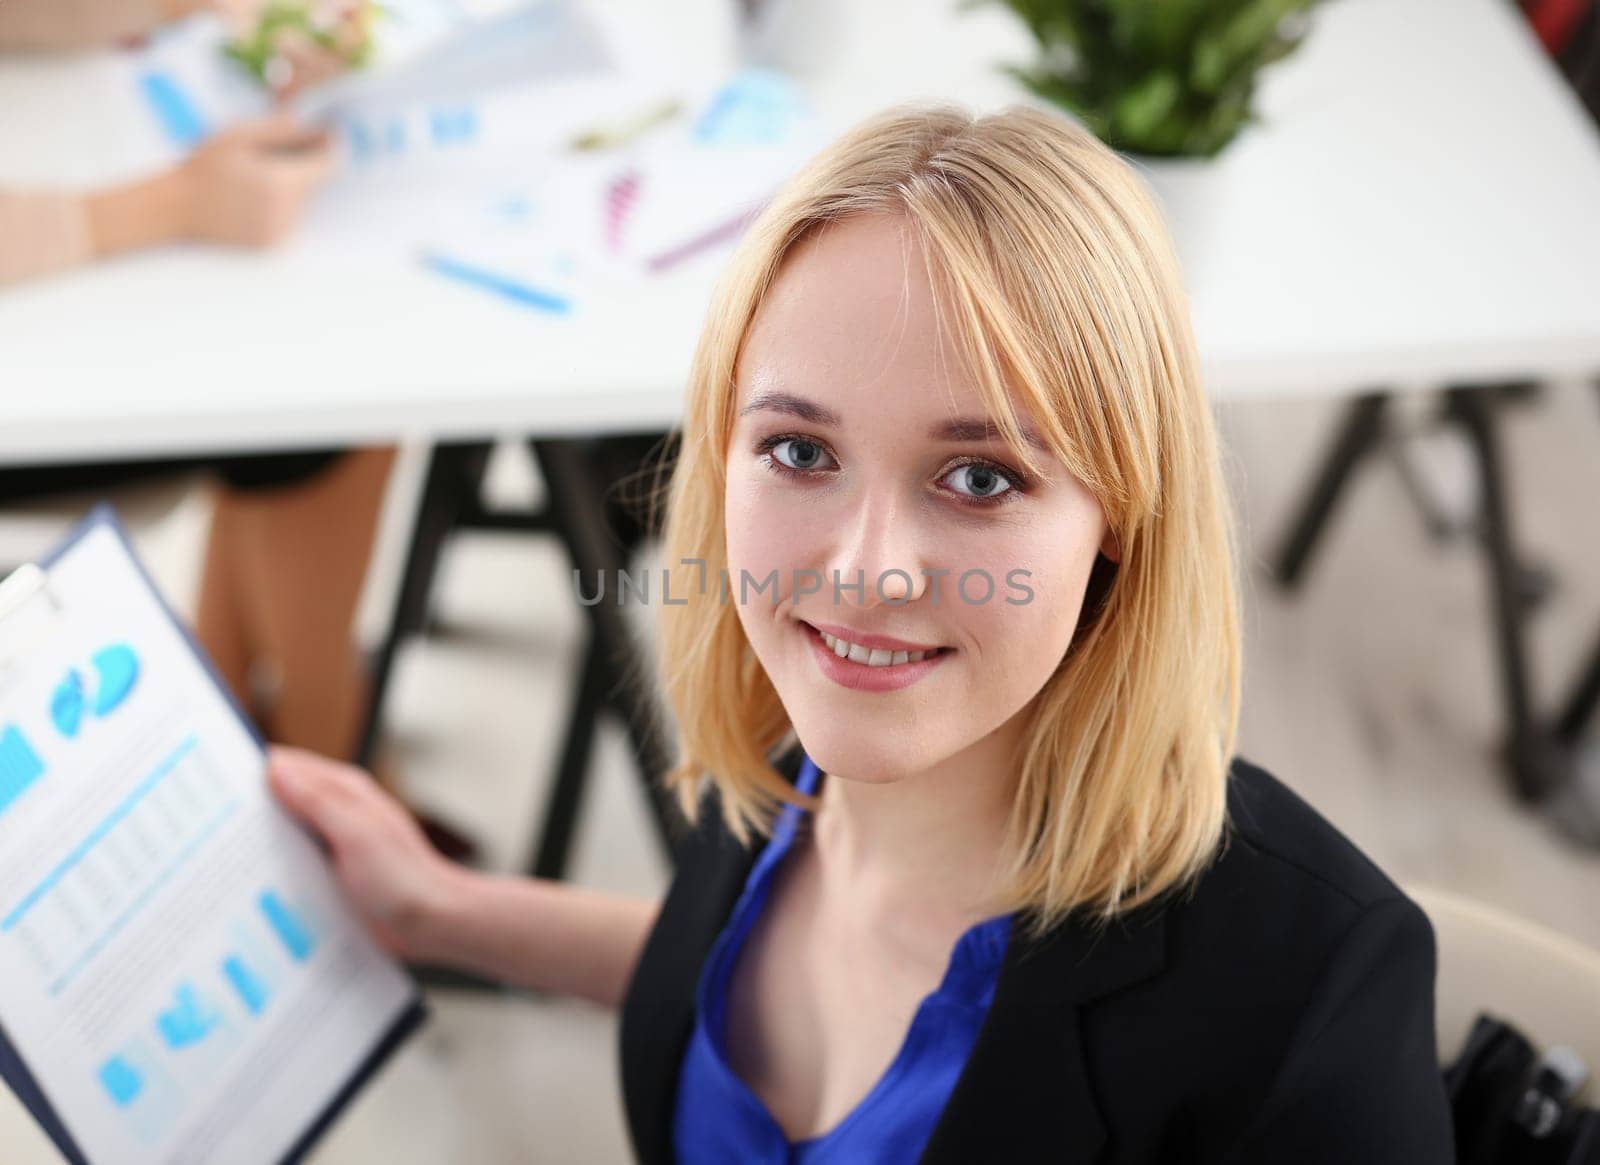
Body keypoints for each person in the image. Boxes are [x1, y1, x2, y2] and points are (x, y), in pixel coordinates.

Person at [264, 104, 1457, 1162]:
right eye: (799, 451)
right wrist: (439, 912)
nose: (864, 571)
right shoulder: (801, 754)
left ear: (1121, 516)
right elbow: (729, 969)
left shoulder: (1316, 997)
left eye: (979, 478)